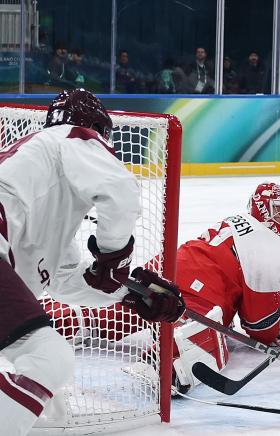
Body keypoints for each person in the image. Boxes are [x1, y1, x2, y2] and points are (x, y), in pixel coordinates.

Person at [0, 89, 184, 436]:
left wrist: (129, 296)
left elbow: (61, 278)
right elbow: (121, 192)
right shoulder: (74, 136)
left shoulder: (38, 185)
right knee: (48, 360)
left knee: (48, 413)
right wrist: (115, 259)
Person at [170, 182, 280, 394]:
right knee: (199, 344)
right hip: (198, 293)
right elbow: (259, 324)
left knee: (113, 317)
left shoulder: (237, 220)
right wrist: (274, 329)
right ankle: (161, 369)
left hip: (166, 267)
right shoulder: (269, 244)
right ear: (263, 207)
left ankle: (94, 317)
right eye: (279, 210)